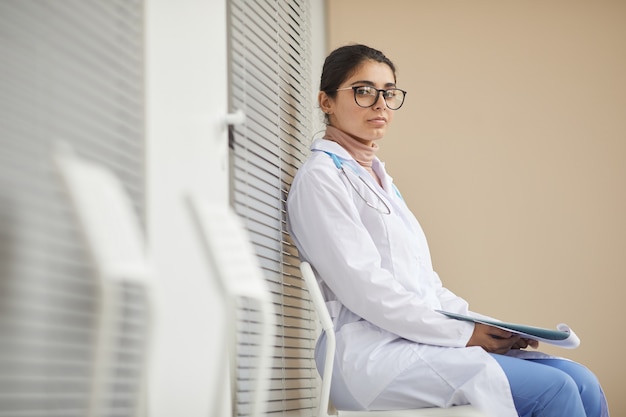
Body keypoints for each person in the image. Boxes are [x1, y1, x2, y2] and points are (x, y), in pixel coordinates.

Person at [286, 44, 609, 417]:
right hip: (370, 355)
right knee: (554, 388)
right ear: (326, 101)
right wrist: (465, 336)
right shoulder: (321, 180)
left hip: (413, 340)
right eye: (363, 91)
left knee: (581, 379)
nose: (380, 104)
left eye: (389, 93)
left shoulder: (379, 179)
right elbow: (366, 291)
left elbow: (427, 286)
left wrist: (488, 328)